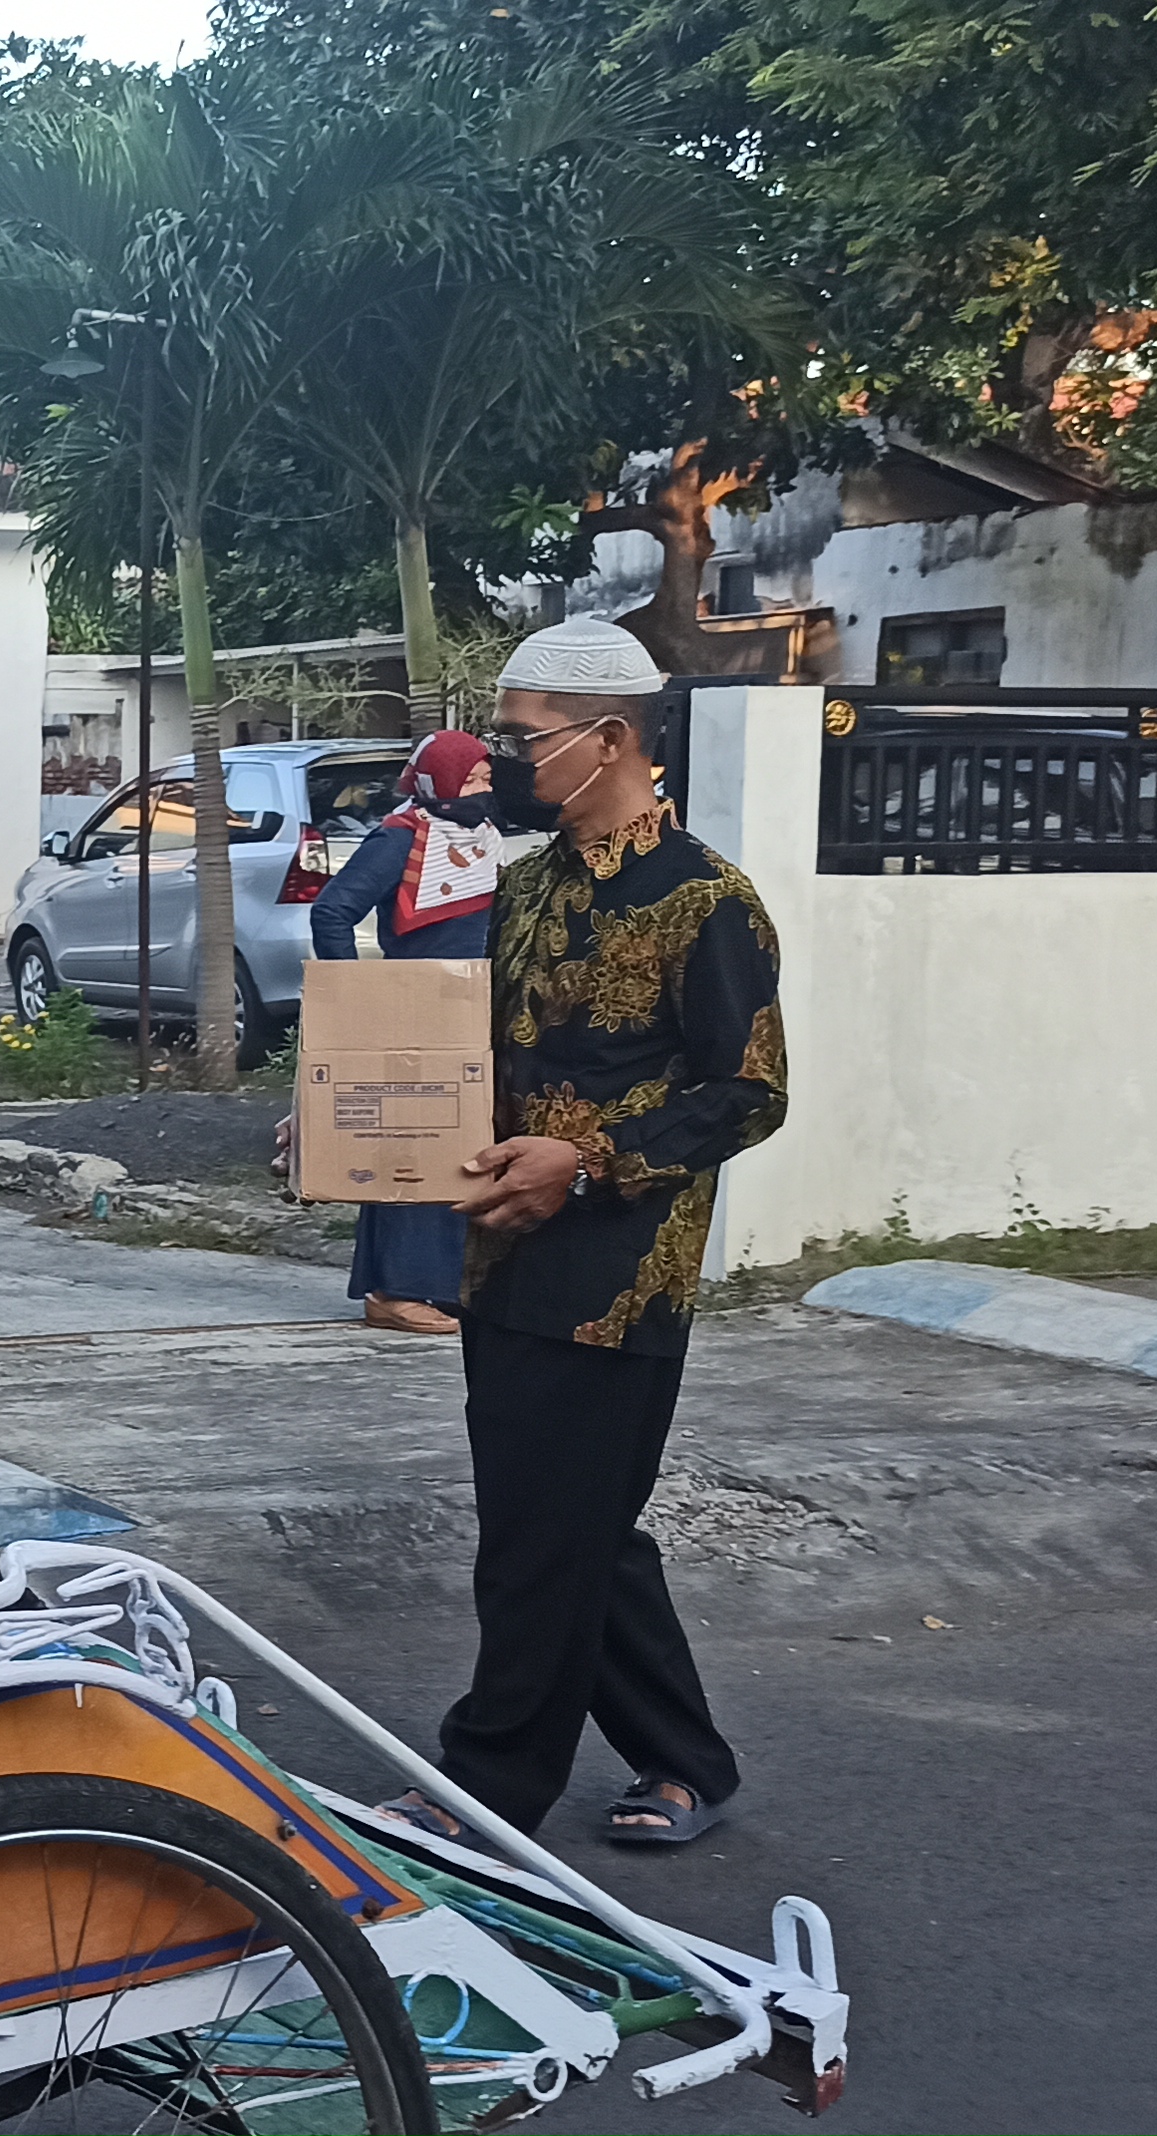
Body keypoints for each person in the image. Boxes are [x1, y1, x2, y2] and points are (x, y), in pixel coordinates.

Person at [366, 616, 786, 1850]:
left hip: (620, 1272)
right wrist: (354, 1127)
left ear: (609, 741)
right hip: (503, 1254)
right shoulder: (531, 887)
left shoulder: (707, 902)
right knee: (571, 1525)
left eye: (521, 737)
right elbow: (472, 1062)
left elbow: (747, 1090)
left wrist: (588, 1161)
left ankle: (488, 1788)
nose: (501, 759)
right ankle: (685, 1761)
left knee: (543, 1539)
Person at [305, 730, 501, 1337]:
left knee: (463, 1146)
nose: (486, 784)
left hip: (472, 1006)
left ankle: (442, 1286)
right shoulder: (397, 838)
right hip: (418, 1011)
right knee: (416, 1142)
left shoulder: (480, 838)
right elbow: (332, 910)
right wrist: (358, 998)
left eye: (486, 774)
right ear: (439, 783)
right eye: (473, 777)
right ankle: (396, 1291)